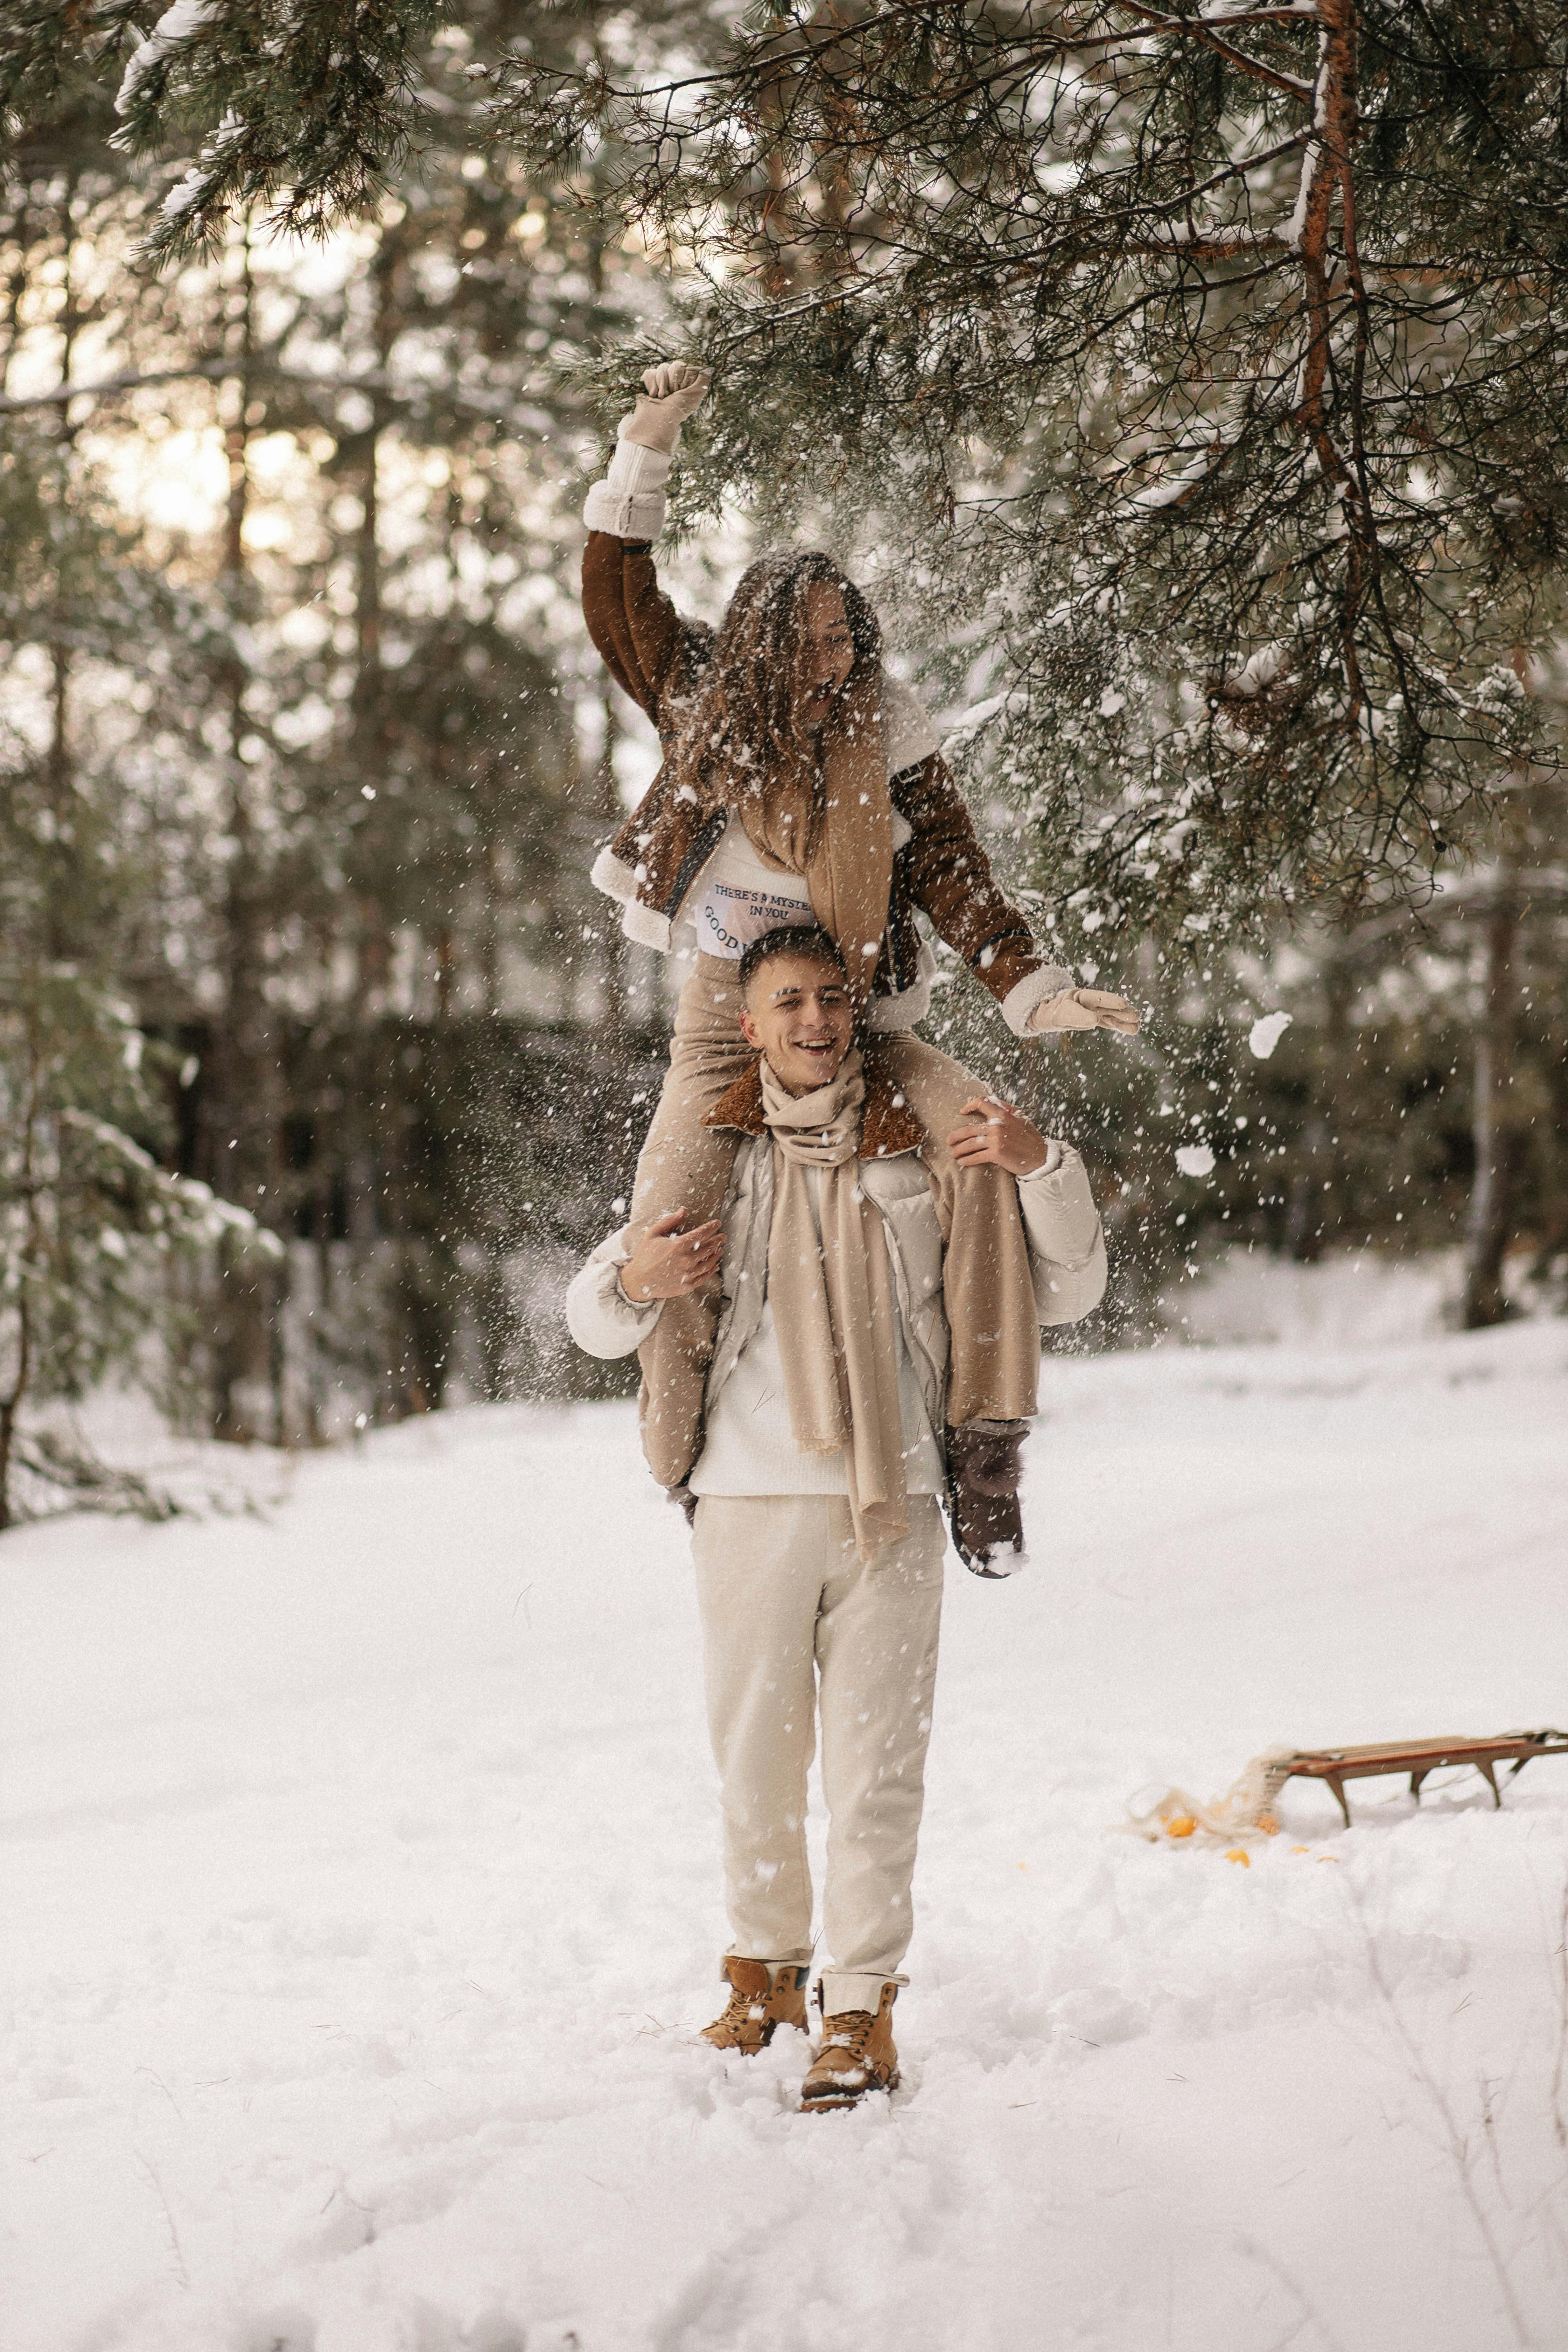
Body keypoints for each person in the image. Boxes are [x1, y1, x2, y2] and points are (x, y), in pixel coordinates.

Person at [581, 361, 1136, 1557]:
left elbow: (948, 863)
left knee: (982, 1140)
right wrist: (648, 441)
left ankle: (986, 1452)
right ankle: (686, 1456)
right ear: (768, 641)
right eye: (817, 641)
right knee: (668, 1224)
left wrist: (1029, 988)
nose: (836, 661)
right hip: (727, 1023)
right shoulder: (702, 703)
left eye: (850, 638)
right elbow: (619, 597)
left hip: (864, 1019)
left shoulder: (890, 735)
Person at [565, 925, 1106, 2112]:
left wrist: (1039, 1164)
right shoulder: (711, 1154)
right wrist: (634, 1284)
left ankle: (858, 2010)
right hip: (748, 1499)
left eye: (832, 1000)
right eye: (789, 1003)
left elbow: (1070, 1288)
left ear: (859, 1013)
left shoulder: (929, 1144)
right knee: (756, 1764)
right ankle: (765, 1975)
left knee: (876, 1772)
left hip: (896, 1502)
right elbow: (595, 1317)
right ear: (749, 1026)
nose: (815, 1021)